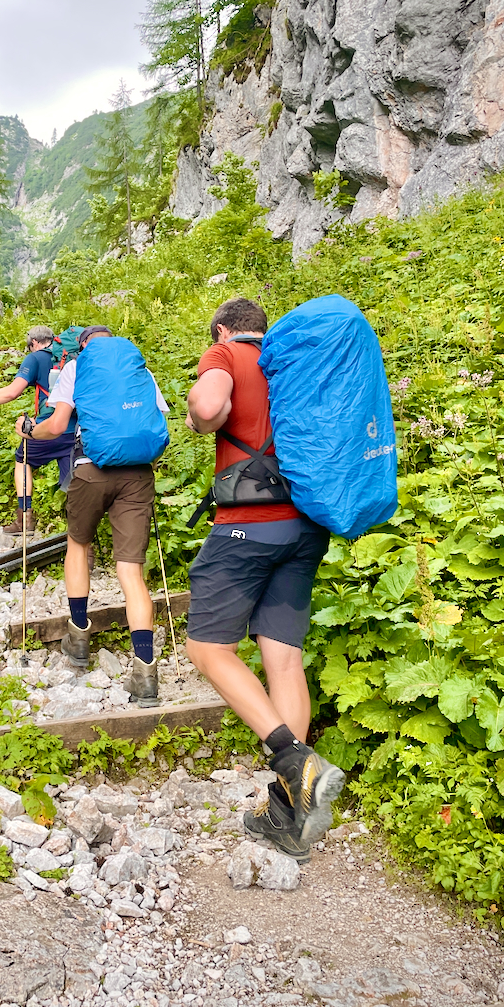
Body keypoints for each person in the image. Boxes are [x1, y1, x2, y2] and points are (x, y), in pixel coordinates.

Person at [183, 296, 344, 861]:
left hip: (248, 527)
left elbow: (209, 406)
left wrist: (197, 410)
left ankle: (296, 762)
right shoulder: (293, 361)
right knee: (284, 661)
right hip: (305, 528)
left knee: (207, 647)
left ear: (223, 329)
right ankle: (289, 814)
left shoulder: (227, 352)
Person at [17, 325, 169, 706]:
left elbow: (56, 425)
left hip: (90, 469)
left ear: (82, 345)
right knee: (131, 571)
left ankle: (79, 636)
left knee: (78, 545)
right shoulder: (139, 369)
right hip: (138, 474)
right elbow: (154, 421)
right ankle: (145, 673)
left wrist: (29, 430)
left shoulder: (76, 367)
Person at [0, 326, 76, 534]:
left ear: (34, 343)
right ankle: (79, 533)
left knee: (23, 459)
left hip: (51, 426)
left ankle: (25, 519)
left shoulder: (35, 358)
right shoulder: (73, 357)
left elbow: (12, 392)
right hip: (78, 428)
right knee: (73, 480)